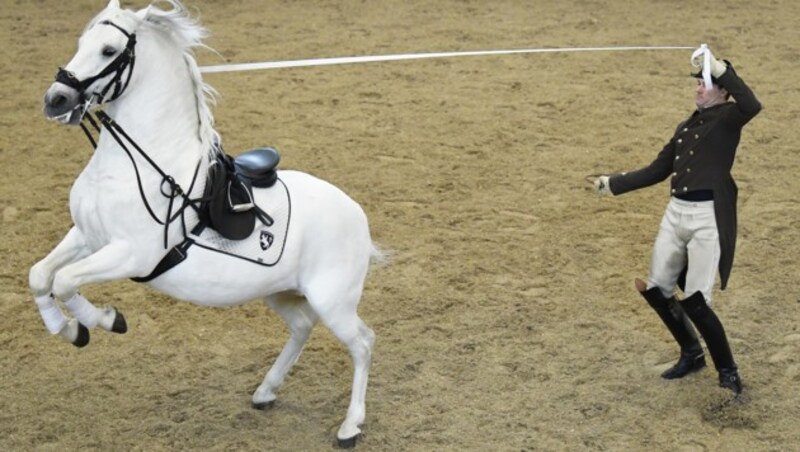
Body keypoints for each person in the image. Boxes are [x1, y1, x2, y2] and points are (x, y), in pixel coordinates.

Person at [590, 45, 761, 395]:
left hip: (706, 218)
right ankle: (692, 353)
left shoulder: (730, 118)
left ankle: (728, 372)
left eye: (705, 82)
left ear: (723, 91)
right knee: (657, 288)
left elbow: (752, 104)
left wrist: (721, 68)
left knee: (697, 300)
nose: (698, 87)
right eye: (697, 82)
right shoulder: (686, 127)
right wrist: (612, 184)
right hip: (676, 214)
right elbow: (657, 169)